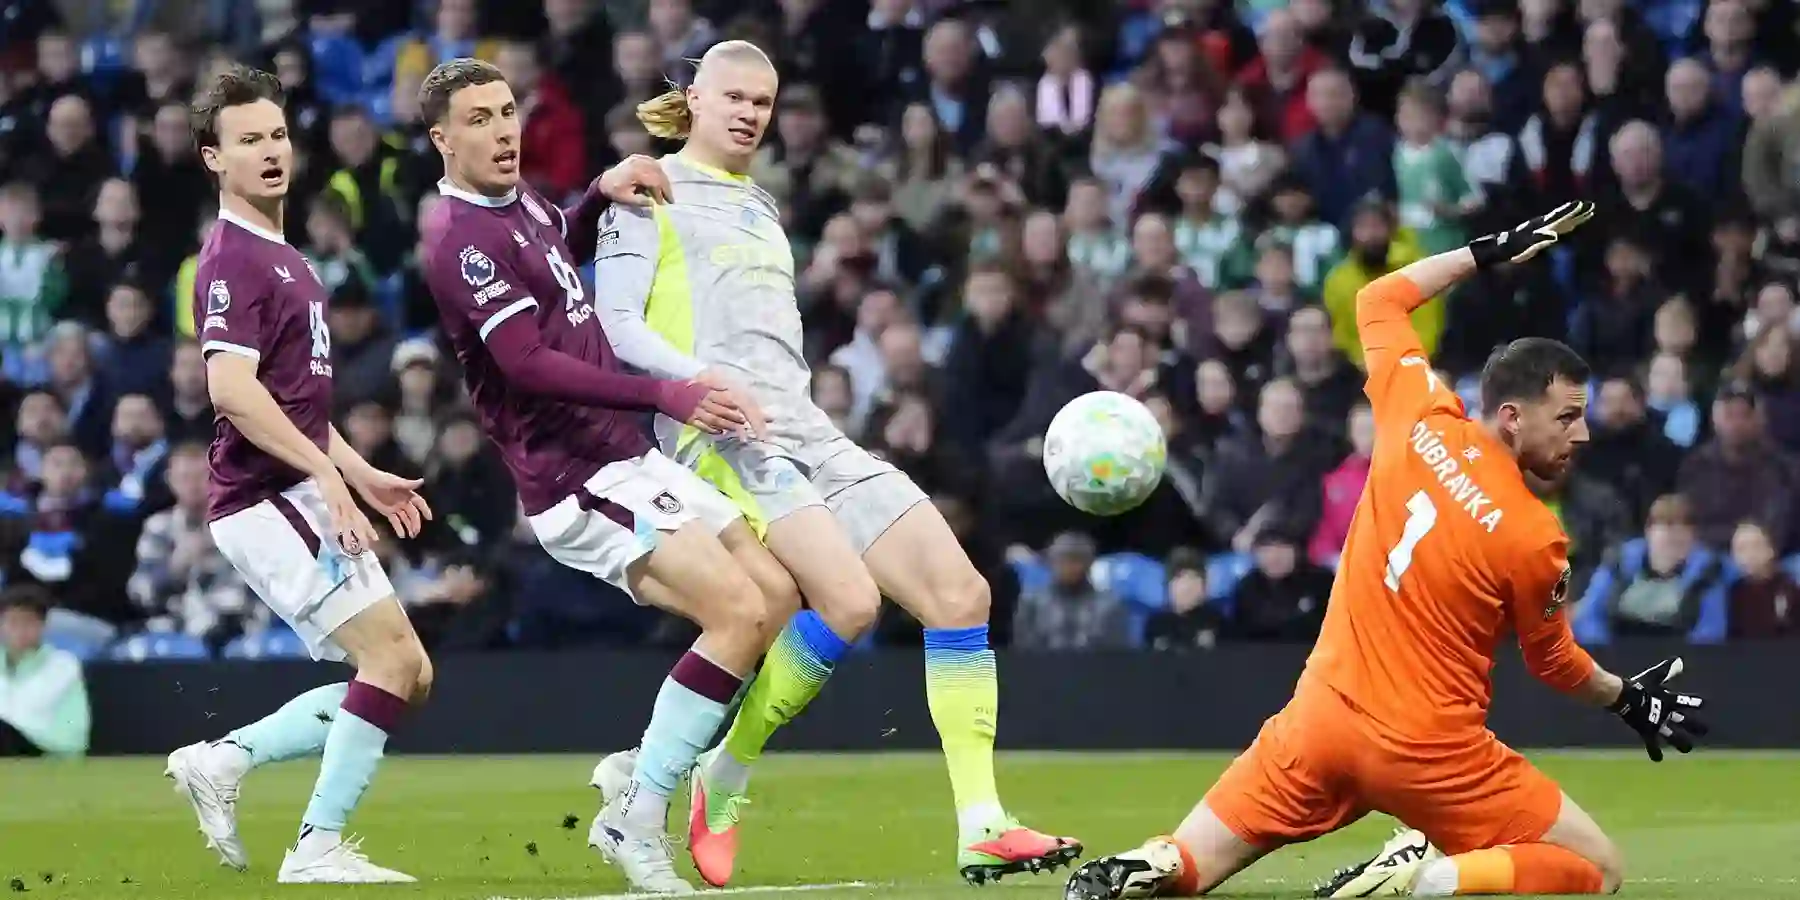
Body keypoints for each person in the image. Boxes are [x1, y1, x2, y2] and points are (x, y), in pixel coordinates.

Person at [1064, 201, 1710, 900]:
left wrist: (1485, 253)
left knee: (1193, 865)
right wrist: (1625, 699)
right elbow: (1552, 664)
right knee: (1597, 870)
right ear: (1512, 416)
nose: (1580, 435)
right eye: (1567, 417)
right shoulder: (1535, 535)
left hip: (1318, 719)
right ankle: (1429, 878)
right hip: (1429, 752)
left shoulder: (1417, 415)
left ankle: (1153, 861)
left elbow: (1379, 300)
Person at [591, 39, 1080, 889]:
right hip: (722, 432)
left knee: (961, 595)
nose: (749, 112)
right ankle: (726, 774)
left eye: (763, 102)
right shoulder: (645, 191)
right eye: (734, 96)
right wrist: (693, 383)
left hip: (808, 428)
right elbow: (614, 325)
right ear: (693, 97)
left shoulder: (761, 205)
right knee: (848, 600)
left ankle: (981, 825)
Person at [414, 58, 799, 895]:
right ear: (443, 139)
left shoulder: (519, 204)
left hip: (626, 457)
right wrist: (664, 392)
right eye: (479, 119)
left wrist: (595, 194)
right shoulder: (457, 239)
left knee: (775, 598)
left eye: (509, 110)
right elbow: (527, 363)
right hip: (574, 476)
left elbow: (558, 255)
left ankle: (641, 765)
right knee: (733, 611)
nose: (504, 129)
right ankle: (640, 814)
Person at [161, 66, 437, 885]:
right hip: (261, 497)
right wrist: (328, 479)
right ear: (214, 158)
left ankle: (226, 759)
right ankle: (315, 846)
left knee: (407, 677)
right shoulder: (232, 259)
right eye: (248, 141)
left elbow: (299, 407)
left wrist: (362, 472)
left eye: (276, 134)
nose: (270, 151)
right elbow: (232, 392)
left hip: (293, 486)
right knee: (389, 663)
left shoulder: (290, 260)